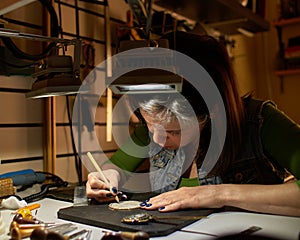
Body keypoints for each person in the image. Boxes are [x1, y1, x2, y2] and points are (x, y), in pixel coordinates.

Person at [86, 31, 300, 217]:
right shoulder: (155, 131)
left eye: (173, 131)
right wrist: (107, 178)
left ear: (212, 111)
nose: (159, 140)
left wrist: (218, 194)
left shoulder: (260, 122)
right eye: (150, 127)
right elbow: (114, 168)